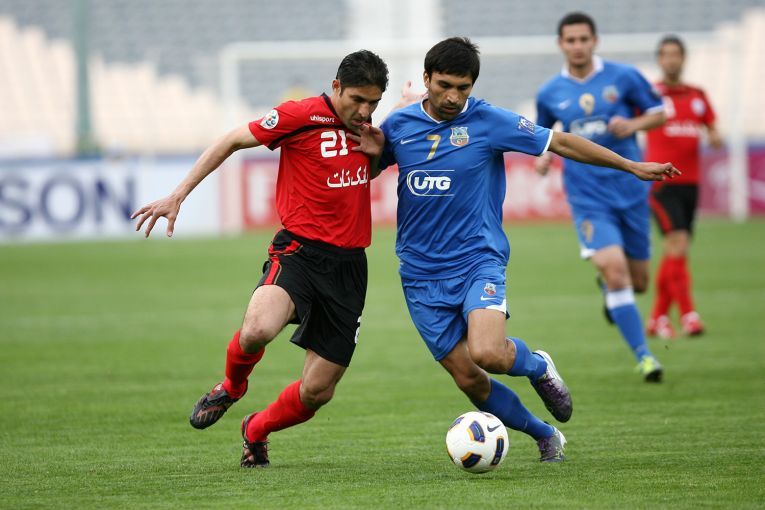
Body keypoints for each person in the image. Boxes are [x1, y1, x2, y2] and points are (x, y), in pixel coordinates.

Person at [379, 37, 678, 462]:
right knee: (468, 378)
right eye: (444, 86)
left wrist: (630, 165)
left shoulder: (488, 121)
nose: (453, 97)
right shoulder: (400, 125)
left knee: (487, 352)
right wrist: (385, 120)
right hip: (419, 273)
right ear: (426, 79)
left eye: (463, 88)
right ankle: (544, 434)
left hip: (477, 259)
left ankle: (537, 365)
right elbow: (362, 166)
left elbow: (561, 142)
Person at [131, 50, 389, 468]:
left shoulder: (369, 132)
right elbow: (231, 140)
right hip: (299, 253)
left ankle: (255, 429)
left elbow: (361, 175)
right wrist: (178, 194)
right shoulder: (299, 115)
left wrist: (376, 155)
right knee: (257, 329)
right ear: (336, 86)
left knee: (317, 392)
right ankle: (232, 387)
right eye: (357, 99)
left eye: (373, 103)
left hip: (348, 268)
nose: (364, 111)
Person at [535, 12, 669, 382]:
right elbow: (544, 135)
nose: (577, 46)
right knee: (616, 271)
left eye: (583, 39)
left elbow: (660, 112)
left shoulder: (623, 76)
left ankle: (610, 290)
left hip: (630, 191)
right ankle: (645, 357)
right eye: (570, 40)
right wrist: (543, 159)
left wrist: (634, 124)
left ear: (595, 41)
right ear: (560, 44)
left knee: (638, 283)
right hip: (587, 196)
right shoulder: (550, 92)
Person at [645, 35, 722, 339]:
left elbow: (712, 129)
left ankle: (657, 318)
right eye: (665, 55)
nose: (671, 60)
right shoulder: (650, 95)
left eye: (675, 54)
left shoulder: (697, 95)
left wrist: (714, 137)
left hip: (691, 182)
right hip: (661, 183)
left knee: (677, 251)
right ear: (659, 59)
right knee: (676, 243)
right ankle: (689, 315)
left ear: (683, 58)